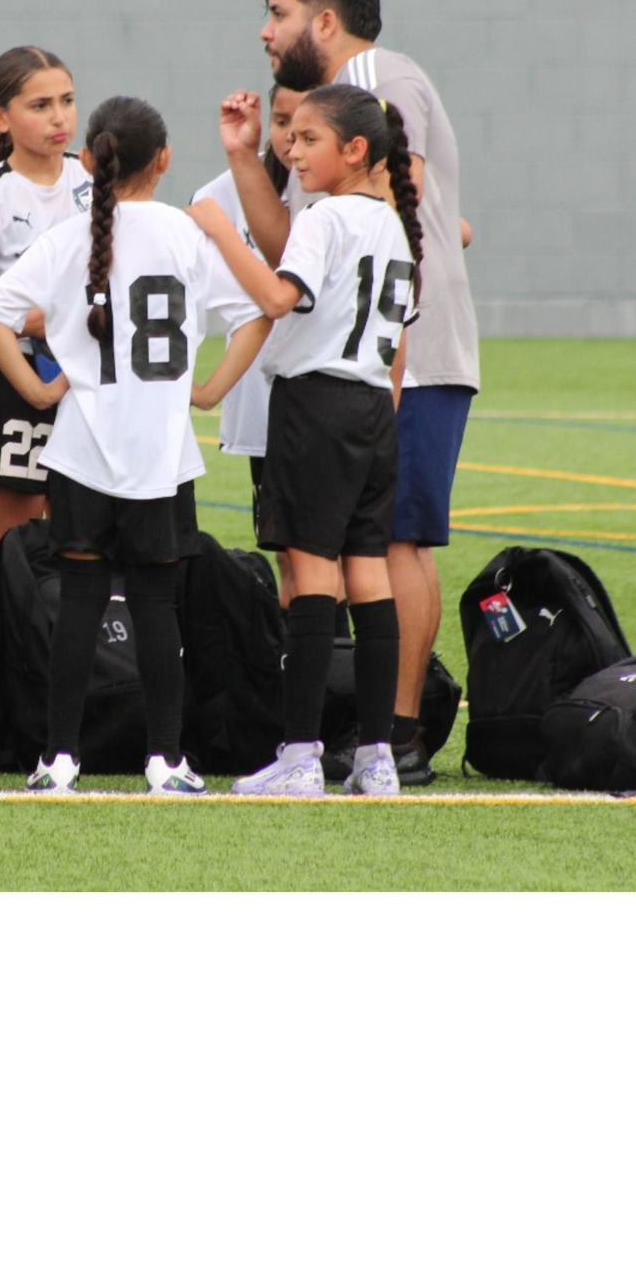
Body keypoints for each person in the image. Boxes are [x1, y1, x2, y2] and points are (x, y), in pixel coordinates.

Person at [0, 95, 263, 798]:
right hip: (161, 454)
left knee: (78, 604)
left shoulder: (66, 237)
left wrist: (38, 389)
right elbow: (255, 315)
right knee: (157, 607)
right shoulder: (188, 235)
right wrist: (209, 390)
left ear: (87, 161)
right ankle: (165, 759)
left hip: (81, 452)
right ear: (163, 161)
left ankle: (59, 759)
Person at [250, 0, 479, 784]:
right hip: (384, 357)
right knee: (380, 549)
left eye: (279, 13)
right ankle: (382, 740)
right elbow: (441, 221)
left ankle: (398, 735)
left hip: (388, 362)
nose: (266, 32)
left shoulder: (372, 77)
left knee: (393, 547)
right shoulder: (352, 124)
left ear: (324, 21)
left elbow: (401, 195)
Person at [190, 84, 423, 797]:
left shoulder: (325, 218)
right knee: (368, 575)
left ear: (355, 150)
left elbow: (276, 298)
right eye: (291, 137)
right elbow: (398, 340)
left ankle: (299, 757)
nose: (293, 150)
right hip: (370, 408)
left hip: (316, 405)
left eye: (309, 139)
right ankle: (377, 756)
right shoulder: (393, 225)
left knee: (313, 576)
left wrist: (218, 227)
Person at [0, 46, 91, 548]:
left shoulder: (93, 182)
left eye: (67, 100)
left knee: (86, 539)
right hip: (19, 382)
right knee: (18, 545)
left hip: (88, 380)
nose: (59, 117)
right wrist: (37, 322)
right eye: (40, 105)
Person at [190, 84, 302, 598]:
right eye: (281, 122)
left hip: (326, 395)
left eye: (305, 126)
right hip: (265, 395)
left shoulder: (338, 197)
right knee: (289, 554)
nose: (292, 138)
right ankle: (302, 646)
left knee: (340, 555)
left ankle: (341, 651)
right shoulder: (224, 190)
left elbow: (274, 300)